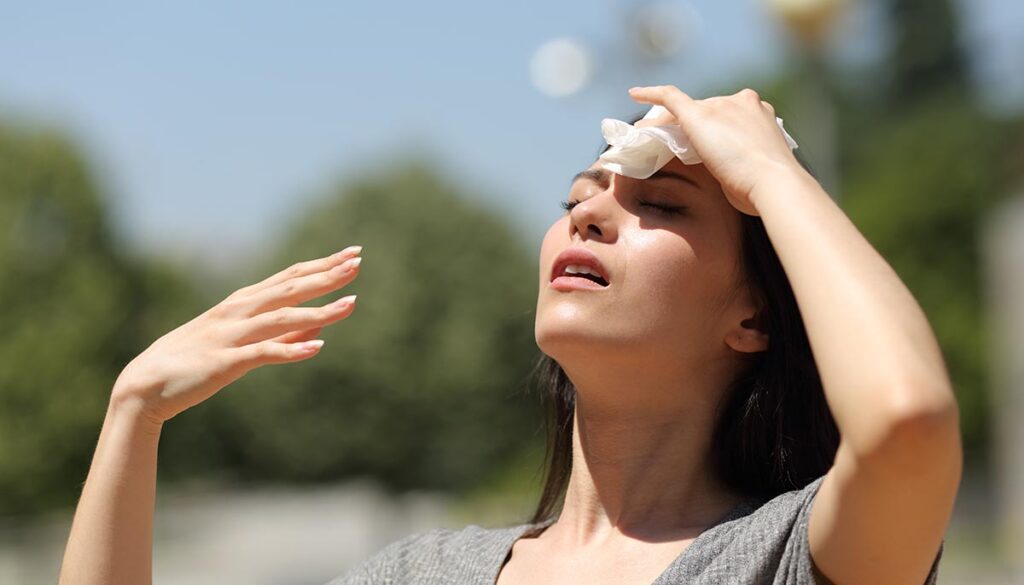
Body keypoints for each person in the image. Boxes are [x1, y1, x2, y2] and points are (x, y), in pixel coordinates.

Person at [59, 85, 961, 585]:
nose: (591, 217)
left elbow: (906, 423)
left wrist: (768, 169)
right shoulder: (420, 576)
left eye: (661, 203)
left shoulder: (788, 557)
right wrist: (133, 416)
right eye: (576, 199)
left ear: (753, 315)